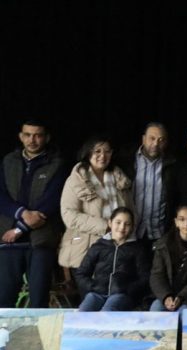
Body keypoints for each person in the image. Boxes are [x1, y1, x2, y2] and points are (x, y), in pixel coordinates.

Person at [0, 120, 65, 308]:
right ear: (20, 136)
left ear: (46, 137)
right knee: (4, 299)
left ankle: (39, 338)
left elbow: (52, 200)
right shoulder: (8, 161)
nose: (32, 140)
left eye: (37, 135)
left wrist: (20, 229)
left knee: (39, 301)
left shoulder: (57, 164)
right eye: (27, 135)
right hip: (8, 239)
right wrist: (21, 213)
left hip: (40, 241)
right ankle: (4, 338)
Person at [59, 136, 134, 272]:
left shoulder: (120, 178)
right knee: (90, 292)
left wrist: (123, 229)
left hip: (119, 245)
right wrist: (105, 226)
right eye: (97, 151)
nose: (102, 156)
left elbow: (131, 212)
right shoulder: (76, 179)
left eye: (107, 151)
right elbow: (69, 215)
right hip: (86, 247)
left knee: (116, 291)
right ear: (88, 153)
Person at [75, 207, 149, 311]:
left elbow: (145, 277)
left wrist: (128, 289)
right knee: (83, 312)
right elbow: (81, 273)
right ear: (110, 223)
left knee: (107, 311)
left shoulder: (137, 249)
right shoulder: (99, 246)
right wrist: (93, 287)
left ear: (132, 227)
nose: (122, 227)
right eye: (118, 222)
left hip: (122, 295)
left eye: (127, 224)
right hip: (97, 294)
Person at [119, 122, 176, 249]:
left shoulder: (172, 165)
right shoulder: (126, 161)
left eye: (161, 140)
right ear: (143, 139)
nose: (156, 144)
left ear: (166, 143)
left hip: (159, 234)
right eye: (152, 138)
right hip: (129, 232)